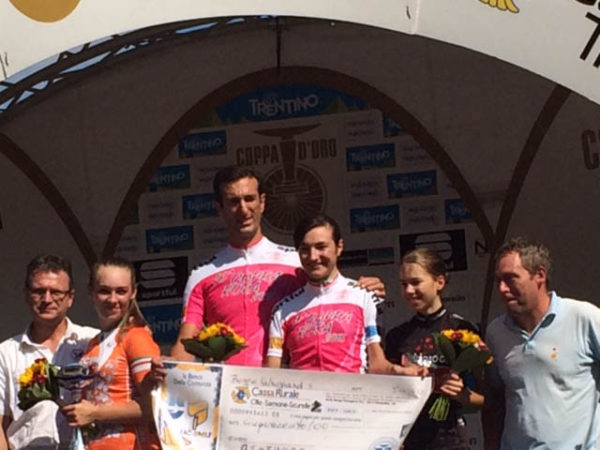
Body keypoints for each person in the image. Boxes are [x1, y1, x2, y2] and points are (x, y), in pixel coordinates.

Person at [169, 166, 385, 365]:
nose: (243, 209)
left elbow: (334, 293)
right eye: (233, 202)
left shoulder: (296, 262)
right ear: (219, 208)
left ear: (262, 202)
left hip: (284, 388)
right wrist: (168, 368)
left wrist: (365, 288)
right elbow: (186, 344)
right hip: (229, 389)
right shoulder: (202, 275)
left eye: (249, 199)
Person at [482, 237, 600, 450]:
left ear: (540, 275)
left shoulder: (584, 318)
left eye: (510, 279)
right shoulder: (496, 332)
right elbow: (495, 403)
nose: (502, 288)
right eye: (498, 280)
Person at [266, 214, 420, 375]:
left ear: (339, 247)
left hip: (353, 391)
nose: (313, 257)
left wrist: (400, 371)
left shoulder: (364, 296)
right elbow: (272, 373)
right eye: (305, 249)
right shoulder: (283, 310)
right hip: (303, 392)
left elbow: (377, 364)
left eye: (321, 247)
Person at [384, 248, 484, 450]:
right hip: (410, 443)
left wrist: (460, 394)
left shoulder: (462, 331)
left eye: (415, 282)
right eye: (404, 284)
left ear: (439, 282)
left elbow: (486, 399)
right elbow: (387, 396)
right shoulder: (396, 336)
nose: (408, 290)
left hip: (451, 442)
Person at [0, 255, 98, 450]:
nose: (47, 299)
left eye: (56, 292)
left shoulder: (93, 342)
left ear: (70, 298)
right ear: (26, 295)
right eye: (39, 291)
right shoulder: (6, 353)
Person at [61, 257, 160, 449]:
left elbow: (154, 405)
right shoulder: (93, 344)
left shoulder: (137, 337)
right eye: (104, 291)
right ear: (91, 292)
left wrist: (95, 414)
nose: (113, 300)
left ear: (133, 293)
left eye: (121, 291)